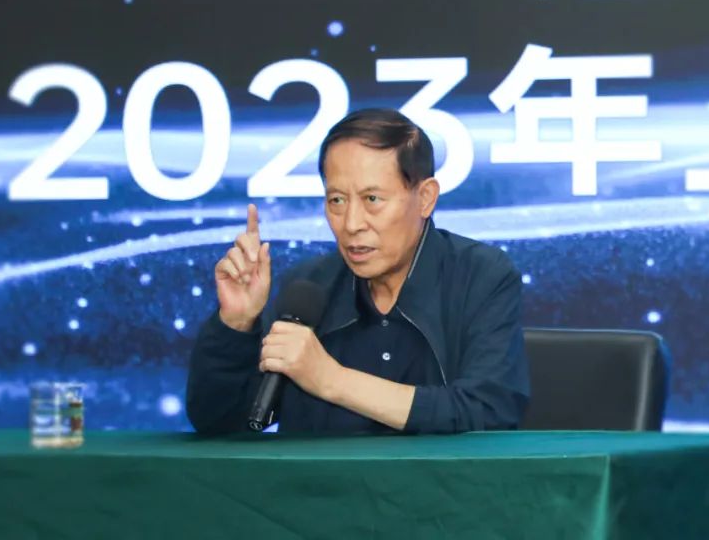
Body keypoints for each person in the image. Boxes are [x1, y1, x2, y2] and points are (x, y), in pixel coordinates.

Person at [185, 108, 529, 434]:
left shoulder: (481, 276)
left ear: (425, 197)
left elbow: (489, 412)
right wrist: (236, 325)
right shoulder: (307, 289)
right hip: (323, 479)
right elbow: (220, 423)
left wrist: (330, 379)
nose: (351, 224)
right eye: (337, 200)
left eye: (372, 199)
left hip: (440, 479)